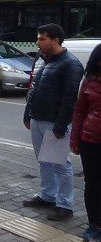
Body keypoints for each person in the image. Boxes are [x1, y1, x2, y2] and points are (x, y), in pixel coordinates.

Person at [22, 23, 84, 220]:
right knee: (44, 161)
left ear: (55, 40)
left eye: (42, 38)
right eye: (38, 38)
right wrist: (27, 113)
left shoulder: (71, 64)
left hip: (54, 123)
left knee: (60, 164)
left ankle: (65, 205)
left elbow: (69, 98)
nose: (37, 42)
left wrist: (60, 125)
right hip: (38, 118)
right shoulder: (43, 59)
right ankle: (48, 195)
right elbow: (34, 88)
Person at [71, 43, 101, 242]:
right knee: (93, 184)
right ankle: (95, 225)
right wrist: (74, 138)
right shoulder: (89, 82)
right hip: (91, 140)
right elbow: (79, 111)